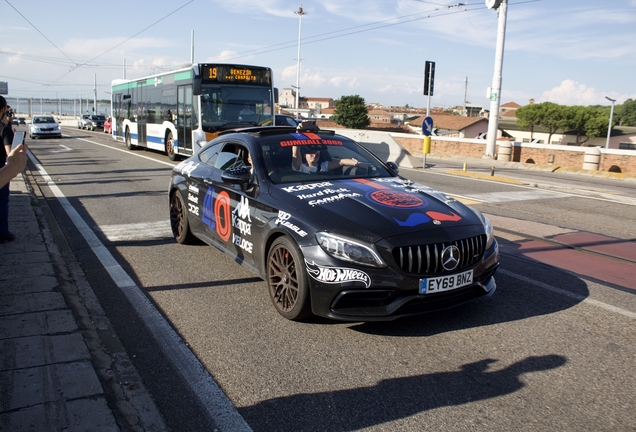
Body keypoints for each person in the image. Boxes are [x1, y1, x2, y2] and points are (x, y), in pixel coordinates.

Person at [0, 96, 17, 243]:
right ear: (3, 110)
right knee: (2, 201)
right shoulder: (4, 130)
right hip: (1, 171)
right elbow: (10, 153)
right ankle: (2, 233)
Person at [291, 145, 367, 174]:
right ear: (304, 155)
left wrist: (358, 164)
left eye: (317, 154)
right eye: (311, 153)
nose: (314, 156)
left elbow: (341, 162)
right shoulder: (300, 167)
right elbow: (295, 154)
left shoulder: (323, 166)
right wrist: (298, 136)